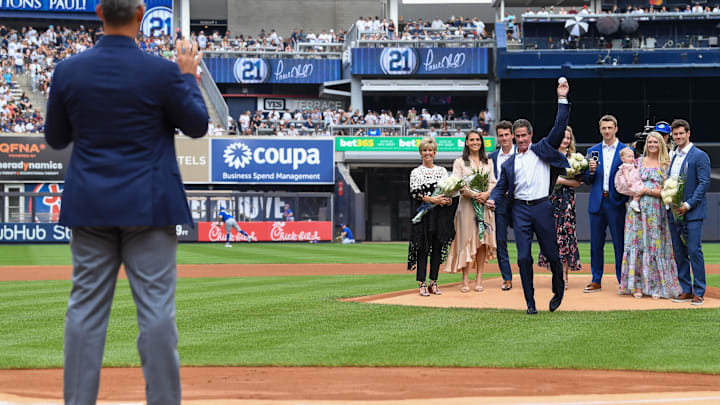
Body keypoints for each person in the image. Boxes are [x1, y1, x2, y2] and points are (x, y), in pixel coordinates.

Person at [44, 0, 209, 403]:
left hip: (91, 203)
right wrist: (188, 77)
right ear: (140, 15)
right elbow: (198, 125)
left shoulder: (68, 70)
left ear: (99, 13)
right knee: (156, 313)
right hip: (149, 204)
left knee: (84, 311)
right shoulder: (163, 72)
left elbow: (55, 139)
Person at [487, 78, 570, 314]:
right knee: (523, 258)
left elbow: (560, 126)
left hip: (542, 207)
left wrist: (562, 98)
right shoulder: (509, 164)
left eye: (524, 135)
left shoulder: (543, 149)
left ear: (530, 134)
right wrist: (493, 197)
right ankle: (530, 303)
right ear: (513, 137)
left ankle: (558, 287)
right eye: (518, 136)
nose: (521, 139)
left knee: (553, 255)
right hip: (521, 211)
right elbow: (500, 186)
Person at [618, 132, 681, 299]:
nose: (652, 144)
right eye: (649, 142)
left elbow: (669, 190)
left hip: (656, 211)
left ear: (661, 144)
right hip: (636, 211)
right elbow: (627, 180)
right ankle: (637, 285)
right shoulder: (637, 162)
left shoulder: (666, 165)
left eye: (655, 142)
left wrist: (647, 190)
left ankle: (655, 286)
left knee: (654, 245)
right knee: (636, 243)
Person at [443, 130, 496, 293]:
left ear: (481, 142)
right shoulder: (459, 162)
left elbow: (493, 181)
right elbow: (458, 184)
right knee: (465, 241)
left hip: (484, 206)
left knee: (482, 242)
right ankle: (465, 280)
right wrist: (474, 195)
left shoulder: (488, 162)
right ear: (466, 142)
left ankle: (479, 279)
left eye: (477, 140)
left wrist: (486, 194)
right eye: (471, 140)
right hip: (466, 207)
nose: (475, 142)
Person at [582, 115, 628, 293]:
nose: (607, 131)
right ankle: (596, 279)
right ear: (600, 129)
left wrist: (623, 199)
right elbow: (586, 179)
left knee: (620, 244)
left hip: (616, 202)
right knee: (596, 243)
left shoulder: (626, 150)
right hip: (596, 202)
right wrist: (590, 171)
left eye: (610, 128)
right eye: (604, 128)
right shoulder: (592, 151)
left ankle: (622, 280)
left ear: (616, 129)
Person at [668, 119, 711, 306]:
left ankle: (699, 291)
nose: (678, 137)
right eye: (675, 134)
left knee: (694, 251)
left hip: (691, 211)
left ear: (688, 133)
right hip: (674, 211)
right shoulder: (672, 156)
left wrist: (689, 204)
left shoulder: (699, 155)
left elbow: (704, 183)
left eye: (681, 133)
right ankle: (685, 289)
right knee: (679, 252)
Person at [408, 137, 457, 296]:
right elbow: (415, 194)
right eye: (424, 150)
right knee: (423, 248)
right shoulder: (416, 172)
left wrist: (446, 200)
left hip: (440, 214)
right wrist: (433, 200)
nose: (427, 153)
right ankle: (421, 284)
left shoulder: (442, 170)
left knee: (437, 248)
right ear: (420, 153)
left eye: (430, 150)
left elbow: (448, 191)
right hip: (424, 213)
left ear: (435, 152)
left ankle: (433, 282)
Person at [538, 126, 582, 289]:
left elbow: (578, 182)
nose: (566, 141)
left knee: (566, 236)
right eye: (563, 137)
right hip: (549, 200)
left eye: (568, 138)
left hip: (567, 202)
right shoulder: (548, 156)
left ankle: (564, 276)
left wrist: (561, 181)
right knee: (551, 238)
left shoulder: (575, 158)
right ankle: (556, 275)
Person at [488, 120, 515, 291]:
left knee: (526, 241)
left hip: (520, 202)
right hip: (499, 203)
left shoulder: (522, 154)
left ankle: (529, 275)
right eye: (501, 135)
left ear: (512, 135)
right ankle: (507, 278)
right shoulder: (491, 158)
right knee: (500, 241)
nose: (504, 138)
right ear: (497, 137)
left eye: (506, 134)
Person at [615, 147, 644, 213]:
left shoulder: (632, 165)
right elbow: (626, 173)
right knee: (639, 189)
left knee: (639, 189)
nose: (632, 158)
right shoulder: (625, 166)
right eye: (629, 156)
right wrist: (628, 180)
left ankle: (635, 201)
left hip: (634, 180)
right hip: (630, 181)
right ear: (623, 159)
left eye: (633, 156)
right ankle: (635, 202)